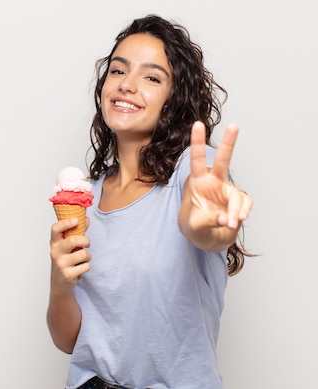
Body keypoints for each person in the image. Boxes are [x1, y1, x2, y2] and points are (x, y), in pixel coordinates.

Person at [48, 14, 254, 389]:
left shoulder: (193, 172)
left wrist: (210, 222)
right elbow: (68, 342)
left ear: (174, 99)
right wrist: (59, 285)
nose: (127, 85)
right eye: (117, 71)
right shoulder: (84, 199)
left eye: (151, 77)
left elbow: (202, 222)